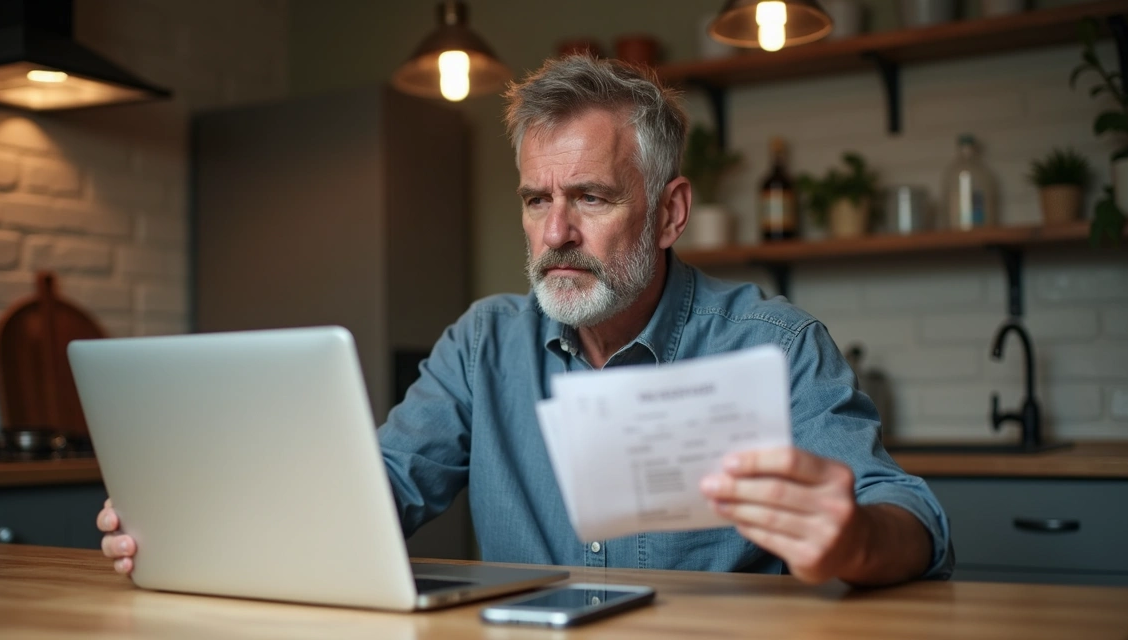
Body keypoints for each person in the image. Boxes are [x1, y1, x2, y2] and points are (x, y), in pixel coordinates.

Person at [99, 56, 953, 586]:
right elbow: (377, 492)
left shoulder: (773, 345)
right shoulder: (483, 344)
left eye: (591, 197)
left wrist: (852, 542)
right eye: (536, 200)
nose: (556, 235)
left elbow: (909, 519)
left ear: (669, 212)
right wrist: (197, 527)